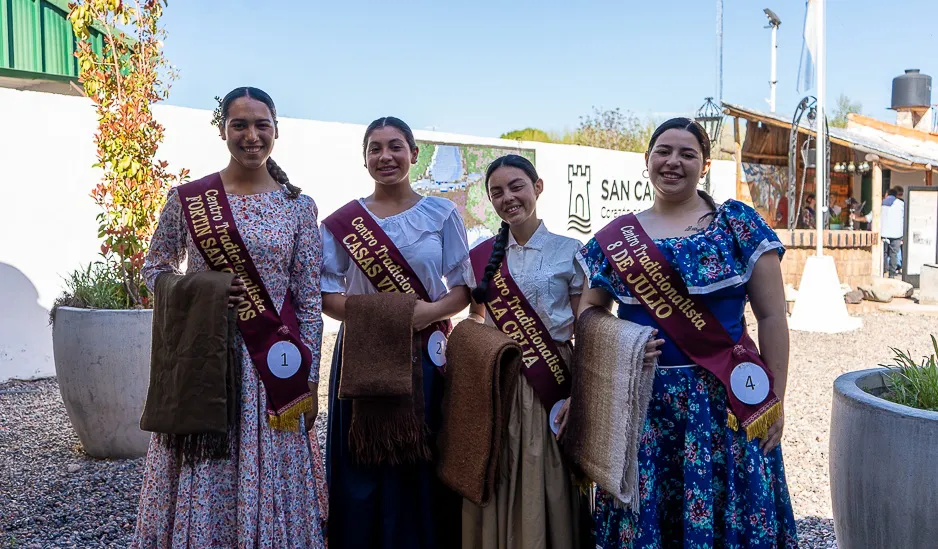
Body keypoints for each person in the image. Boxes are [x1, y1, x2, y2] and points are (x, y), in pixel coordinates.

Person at [577, 118, 798, 548]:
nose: (673, 162)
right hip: (645, 405)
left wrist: (776, 398)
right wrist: (623, 342)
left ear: (706, 164)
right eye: (663, 151)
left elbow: (772, 317)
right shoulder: (615, 238)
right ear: (647, 161)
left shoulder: (736, 225)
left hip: (726, 401)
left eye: (687, 153)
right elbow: (588, 312)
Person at [134, 87, 327, 548]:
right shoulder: (187, 200)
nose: (251, 135)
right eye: (239, 124)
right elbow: (153, 270)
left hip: (272, 369)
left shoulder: (298, 207)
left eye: (262, 124)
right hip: (206, 364)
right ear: (222, 130)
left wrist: (308, 376)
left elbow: (309, 303)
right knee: (208, 470)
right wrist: (209, 290)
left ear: (276, 129)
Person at [321, 116, 471, 548]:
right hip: (362, 354)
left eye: (395, 146)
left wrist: (423, 316)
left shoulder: (442, 214)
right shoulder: (343, 222)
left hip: (423, 352)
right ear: (364, 157)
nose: (385, 156)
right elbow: (326, 294)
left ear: (414, 154)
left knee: (420, 456)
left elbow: (462, 289)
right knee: (362, 460)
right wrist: (388, 317)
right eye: (375, 148)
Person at [464, 154, 595, 549]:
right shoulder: (482, 255)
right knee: (498, 467)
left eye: (516, 186)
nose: (508, 198)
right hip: (499, 380)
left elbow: (586, 326)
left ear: (537, 187)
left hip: (551, 376)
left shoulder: (570, 249)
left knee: (547, 470)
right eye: (497, 192)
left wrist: (581, 391)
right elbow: (475, 319)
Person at [882, 187, 905, 277]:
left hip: (883, 233)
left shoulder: (881, 203)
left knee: (883, 253)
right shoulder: (901, 204)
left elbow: (870, 217)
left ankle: (884, 271)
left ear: (887, 194)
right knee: (894, 254)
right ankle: (892, 274)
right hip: (897, 233)